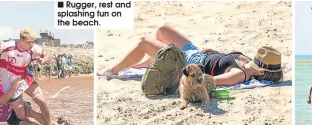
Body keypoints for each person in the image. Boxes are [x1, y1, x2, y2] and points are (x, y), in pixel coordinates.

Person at [102, 24, 283, 86]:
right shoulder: (249, 63)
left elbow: (206, 80)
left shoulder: (238, 74)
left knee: (143, 42)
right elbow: (223, 60)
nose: (251, 64)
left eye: (255, 66)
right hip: (196, 52)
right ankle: (151, 61)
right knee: (162, 29)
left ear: (259, 72)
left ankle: (114, 70)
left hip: (185, 60)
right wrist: (215, 53)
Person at [0, 27, 60, 125]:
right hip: (10, 86)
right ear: (21, 40)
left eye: (33, 41)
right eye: (29, 42)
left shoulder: (33, 48)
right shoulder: (6, 46)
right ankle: (44, 123)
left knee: (42, 102)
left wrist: (43, 60)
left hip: (25, 78)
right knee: (22, 115)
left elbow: (46, 54)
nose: (32, 44)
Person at [0, 70, 65, 125]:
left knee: (33, 113)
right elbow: (1, 101)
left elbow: (7, 75)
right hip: (9, 116)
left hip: (15, 103)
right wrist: (14, 87)